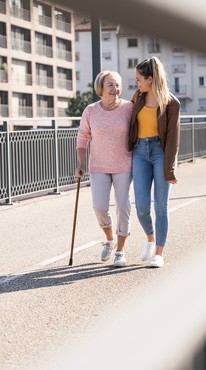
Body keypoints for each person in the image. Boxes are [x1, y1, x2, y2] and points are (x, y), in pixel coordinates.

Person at [75, 70, 133, 267]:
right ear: (100, 87)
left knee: (123, 205)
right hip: (98, 165)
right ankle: (110, 239)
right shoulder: (91, 111)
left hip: (124, 163)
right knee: (99, 207)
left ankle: (120, 250)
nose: (115, 89)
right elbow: (82, 138)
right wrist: (81, 164)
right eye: (110, 84)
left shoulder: (128, 108)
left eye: (117, 85)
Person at [128, 57, 181, 268]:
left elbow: (173, 139)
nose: (137, 82)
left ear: (150, 79)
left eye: (139, 79)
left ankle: (159, 253)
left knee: (161, 206)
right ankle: (150, 238)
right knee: (141, 206)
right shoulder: (137, 98)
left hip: (160, 152)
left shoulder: (171, 103)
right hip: (140, 152)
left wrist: (170, 168)